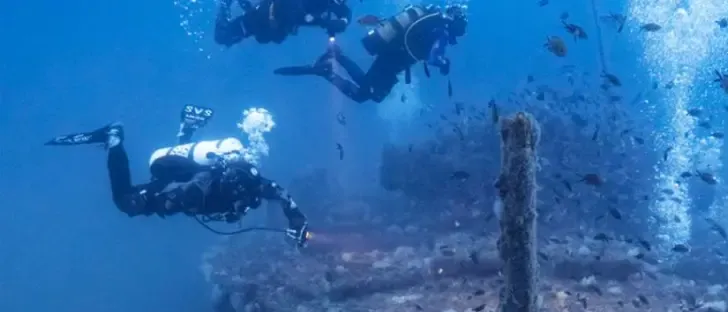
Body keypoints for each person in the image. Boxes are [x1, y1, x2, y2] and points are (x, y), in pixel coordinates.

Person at [44, 105, 310, 247]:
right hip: (172, 174)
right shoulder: (206, 188)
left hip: (185, 171)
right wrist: (162, 204)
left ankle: (187, 130)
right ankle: (113, 139)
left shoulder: (248, 184)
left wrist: (298, 223)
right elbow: (180, 195)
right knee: (127, 204)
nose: (242, 207)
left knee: (178, 174)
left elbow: (281, 195)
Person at [274, 4, 468, 104]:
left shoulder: (431, 19)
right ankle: (328, 68)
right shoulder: (442, 31)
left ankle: (334, 60)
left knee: (368, 91)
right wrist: (443, 64)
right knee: (366, 95)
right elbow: (434, 58)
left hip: (391, 55)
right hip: (393, 60)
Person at [215, 0, 352, 46]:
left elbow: (345, 12)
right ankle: (224, 6)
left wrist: (343, 22)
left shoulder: (332, 3)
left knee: (226, 36)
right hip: (268, 14)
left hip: (278, 25)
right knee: (223, 36)